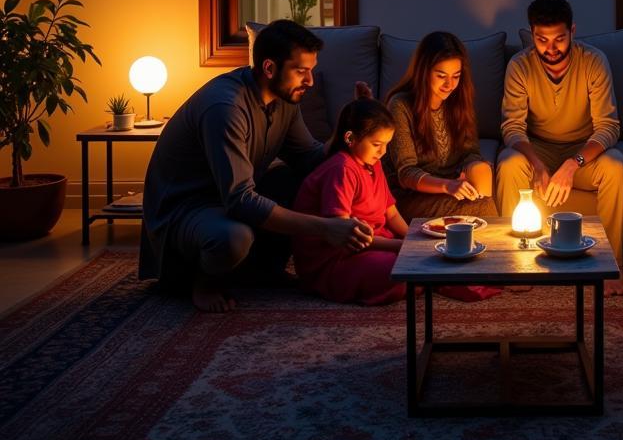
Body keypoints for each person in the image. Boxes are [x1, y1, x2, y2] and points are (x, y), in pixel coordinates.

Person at [139, 19, 373, 312]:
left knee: (305, 178)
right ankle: (203, 282)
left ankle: (260, 271)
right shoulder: (225, 107)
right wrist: (326, 228)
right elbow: (240, 200)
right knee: (234, 238)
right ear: (269, 68)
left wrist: (352, 125)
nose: (310, 81)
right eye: (301, 71)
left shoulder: (284, 101)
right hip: (185, 210)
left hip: (229, 201)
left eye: (311, 70)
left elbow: (309, 160)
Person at [496, 0, 623, 296]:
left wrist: (573, 164)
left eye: (559, 39)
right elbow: (513, 127)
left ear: (572, 30)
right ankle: (514, 262)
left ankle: (611, 265)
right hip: (538, 149)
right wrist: (537, 164)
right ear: (532, 34)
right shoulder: (520, 66)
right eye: (542, 40)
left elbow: (608, 127)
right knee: (508, 164)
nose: (551, 48)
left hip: (584, 151)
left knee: (616, 166)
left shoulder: (594, 61)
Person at [292, 95, 408, 305]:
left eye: (386, 145)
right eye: (376, 144)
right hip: (336, 257)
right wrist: (397, 246)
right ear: (350, 138)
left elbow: (390, 211)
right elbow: (343, 234)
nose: (382, 152)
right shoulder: (342, 169)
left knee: (417, 262)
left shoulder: (373, 162)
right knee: (398, 269)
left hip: (370, 244)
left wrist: (413, 239)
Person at [384, 31, 498, 222]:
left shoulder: (458, 101)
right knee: (483, 208)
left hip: (450, 188)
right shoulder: (400, 105)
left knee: (482, 186)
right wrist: (448, 185)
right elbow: (406, 174)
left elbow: (470, 151)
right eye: (441, 75)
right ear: (424, 72)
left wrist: (473, 167)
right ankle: (493, 250)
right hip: (411, 196)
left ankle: (475, 249)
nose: (449, 84)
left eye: (456, 76)